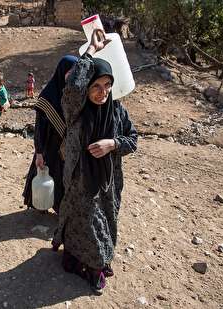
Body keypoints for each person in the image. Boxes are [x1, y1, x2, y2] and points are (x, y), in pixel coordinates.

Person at [51, 29, 138, 294]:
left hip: (109, 182)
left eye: (107, 86)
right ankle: (96, 267)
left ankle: (91, 260)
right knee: (85, 223)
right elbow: (73, 87)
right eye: (96, 86)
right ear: (88, 87)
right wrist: (90, 51)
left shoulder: (118, 111)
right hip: (79, 182)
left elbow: (132, 139)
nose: (102, 92)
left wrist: (113, 144)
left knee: (106, 222)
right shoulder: (76, 111)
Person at [22, 55, 78, 214]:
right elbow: (39, 128)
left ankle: (60, 206)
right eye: (70, 72)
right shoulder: (48, 96)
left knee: (63, 178)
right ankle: (41, 203)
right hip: (49, 146)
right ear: (62, 72)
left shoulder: (74, 94)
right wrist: (39, 152)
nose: (73, 76)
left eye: (76, 72)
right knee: (45, 173)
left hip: (67, 146)